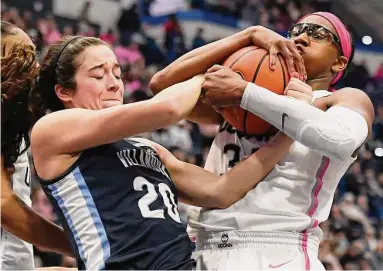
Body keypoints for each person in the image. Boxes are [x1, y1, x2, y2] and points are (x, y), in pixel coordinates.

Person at [29, 35, 296, 270]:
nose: (114, 84)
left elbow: (221, 191)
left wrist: (288, 131)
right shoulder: (51, 131)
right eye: (99, 76)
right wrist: (210, 76)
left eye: (118, 74)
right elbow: (168, 108)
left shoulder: (149, 148)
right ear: (64, 91)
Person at [150, 12, 374, 270]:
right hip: (202, 247)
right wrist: (247, 35)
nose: (301, 37)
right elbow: (163, 87)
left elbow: (341, 139)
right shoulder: (240, 98)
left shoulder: (345, 98)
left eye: (317, 34)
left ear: (339, 63)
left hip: (277, 249)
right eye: (297, 30)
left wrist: (244, 92)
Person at [0, 21, 73, 270]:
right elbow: (4, 206)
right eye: (22, 59)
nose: (34, 68)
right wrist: (80, 244)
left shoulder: (12, 124)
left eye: (33, 57)